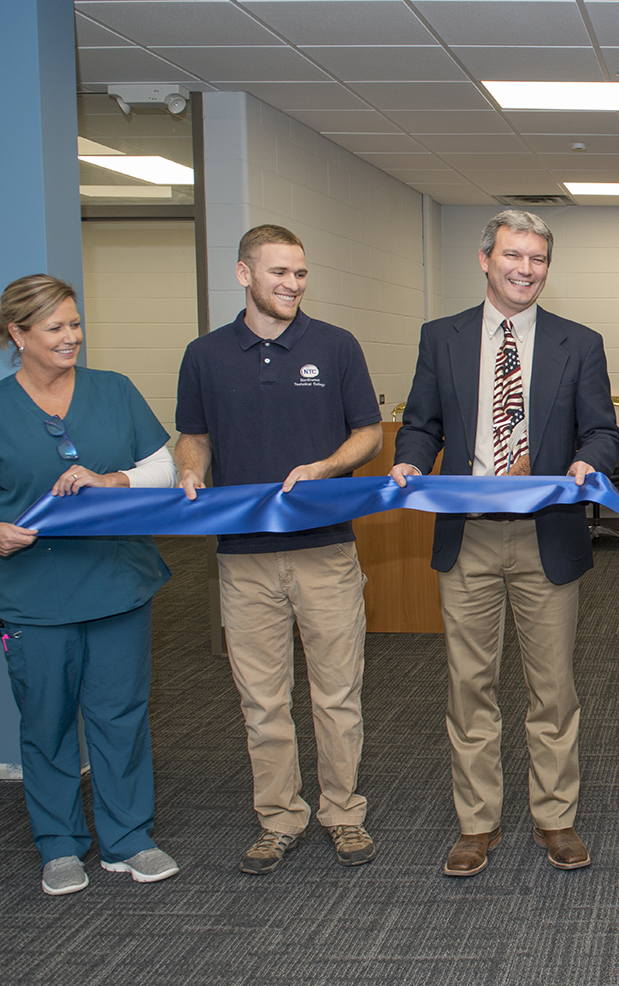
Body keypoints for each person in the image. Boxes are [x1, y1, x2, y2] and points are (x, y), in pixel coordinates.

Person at [390, 210, 619, 877]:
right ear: (486, 258)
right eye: (514, 256)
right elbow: (421, 423)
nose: (526, 269)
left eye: (538, 259)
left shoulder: (579, 343)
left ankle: (555, 817)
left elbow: (604, 433)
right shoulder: (443, 338)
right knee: (472, 686)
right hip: (468, 539)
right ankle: (477, 823)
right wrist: (409, 459)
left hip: (547, 536)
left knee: (552, 689)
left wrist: (590, 461)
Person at [0, 274, 179, 896]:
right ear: (18, 335)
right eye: (55, 329)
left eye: (75, 324)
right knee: (45, 721)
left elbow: (162, 466)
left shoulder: (114, 391)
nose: (72, 337)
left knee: (120, 713)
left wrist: (113, 481)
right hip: (34, 592)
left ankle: (130, 838)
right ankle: (59, 845)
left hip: (116, 580)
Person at [175, 225, 383, 874]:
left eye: (299, 274)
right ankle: (278, 819)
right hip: (243, 557)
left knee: (336, 694)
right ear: (243, 275)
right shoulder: (205, 355)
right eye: (278, 273)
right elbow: (193, 436)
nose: (292, 285)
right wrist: (189, 470)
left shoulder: (335, 346)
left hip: (324, 551)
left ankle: (343, 813)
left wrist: (326, 466)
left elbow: (369, 435)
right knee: (262, 700)